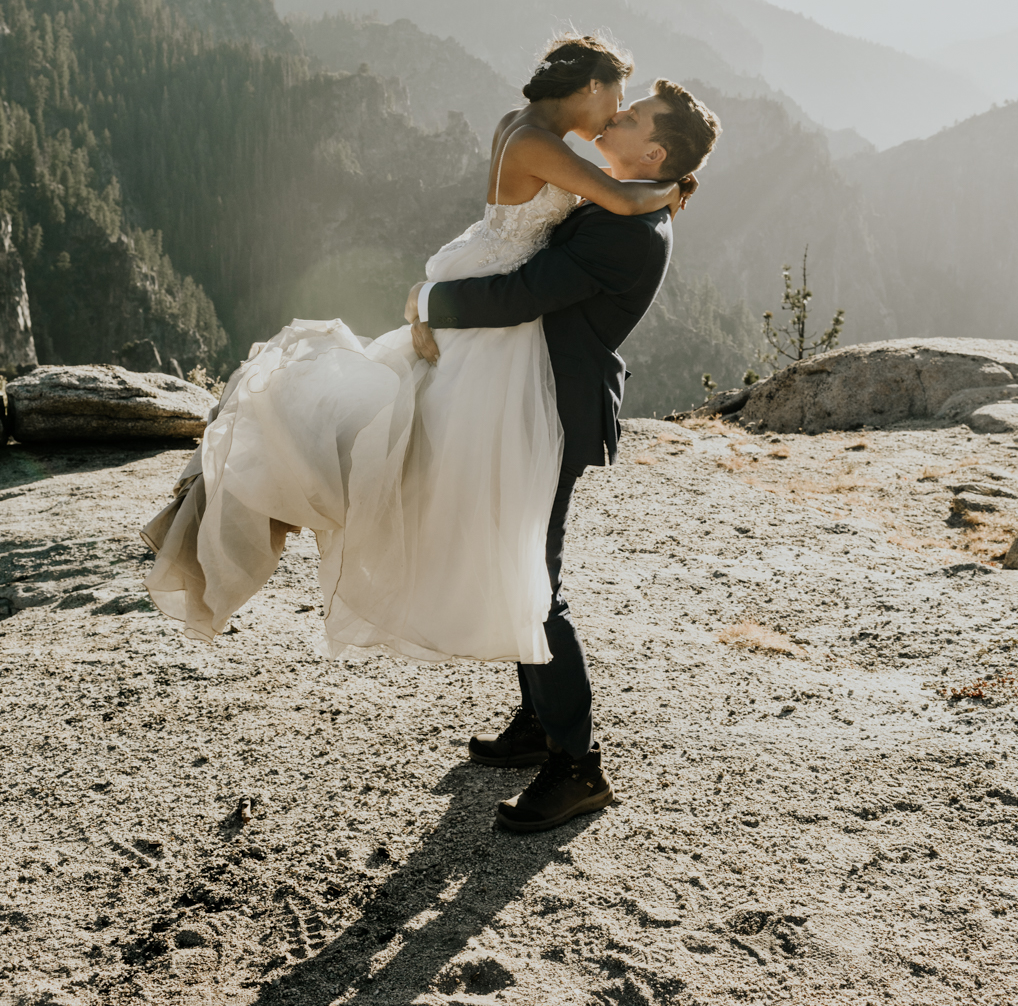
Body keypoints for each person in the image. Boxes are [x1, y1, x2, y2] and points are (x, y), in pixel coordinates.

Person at [141, 35, 691, 669]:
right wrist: (670, 192)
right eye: (618, 97)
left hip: (485, 283)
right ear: (590, 87)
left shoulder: (527, 128)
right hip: (488, 295)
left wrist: (435, 296)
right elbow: (621, 200)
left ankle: (272, 497)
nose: (616, 113)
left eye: (629, 111)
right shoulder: (541, 143)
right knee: (398, 449)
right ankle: (259, 501)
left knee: (407, 446)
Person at [406, 76, 721, 832]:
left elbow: (522, 293)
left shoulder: (626, 225)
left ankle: (578, 768)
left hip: (552, 409)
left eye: (634, 113)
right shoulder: (624, 201)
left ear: (653, 148)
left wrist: (424, 303)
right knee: (518, 561)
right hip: (534, 399)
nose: (618, 112)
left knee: (537, 584)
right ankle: (540, 723)